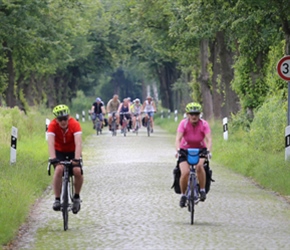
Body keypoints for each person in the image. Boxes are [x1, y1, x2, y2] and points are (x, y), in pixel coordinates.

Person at [47, 104, 83, 214]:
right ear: (56, 119)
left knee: (77, 171)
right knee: (58, 169)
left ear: (69, 117)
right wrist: (53, 158)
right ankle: (57, 199)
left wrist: (76, 159)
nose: (63, 122)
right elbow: (51, 143)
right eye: (60, 119)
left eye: (65, 118)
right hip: (59, 151)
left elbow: (78, 143)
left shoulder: (75, 124)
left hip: (73, 150)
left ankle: (76, 197)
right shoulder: (52, 125)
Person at [175, 102, 212, 208]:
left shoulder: (204, 124)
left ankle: (202, 190)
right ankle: (183, 195)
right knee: (185, 172)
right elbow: (178, 138)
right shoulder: (183, 124)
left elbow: (209, 139)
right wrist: (178, 150)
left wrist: (208, 151)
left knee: (200, 166)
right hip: (185, 149)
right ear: (187, 115)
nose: (194, 116)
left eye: (196, 114)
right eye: (191, 114)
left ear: (200, 114)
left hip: (200, 149)